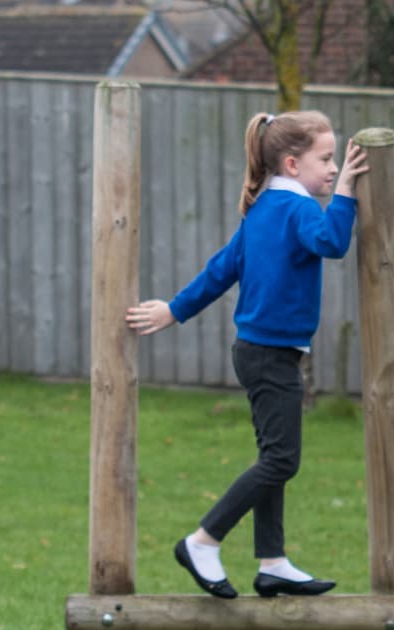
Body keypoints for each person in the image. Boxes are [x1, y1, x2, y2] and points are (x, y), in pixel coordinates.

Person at [126, 110, 368, 599]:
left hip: (256, 352)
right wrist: (345, 193)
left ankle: (273, 561)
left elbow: (221, 270)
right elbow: (332, 242)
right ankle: (203, 540)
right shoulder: (298, 209)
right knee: (282, 461)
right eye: (326, 158)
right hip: (272, 356)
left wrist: (175, 309)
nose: (333, 166)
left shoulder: (262, 209)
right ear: (293, 164)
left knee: (272, 458)